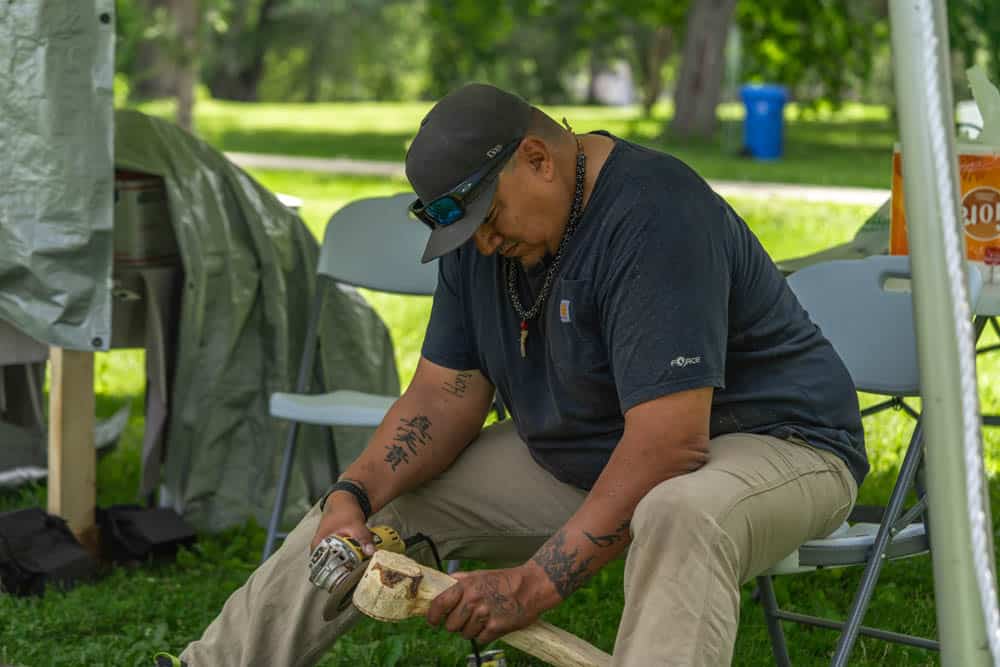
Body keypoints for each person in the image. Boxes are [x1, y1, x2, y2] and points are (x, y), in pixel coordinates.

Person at [167, 83, 866, 667]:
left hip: (772, 440)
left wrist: (533, 583)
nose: (483, 242)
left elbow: (669, 445)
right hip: (593, 449)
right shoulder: (481, 234)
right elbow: (444, 395)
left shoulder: (656, 211)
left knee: (679, 510)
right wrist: (352, 492)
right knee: (371, 513)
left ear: (538, 158)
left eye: (489, 217)